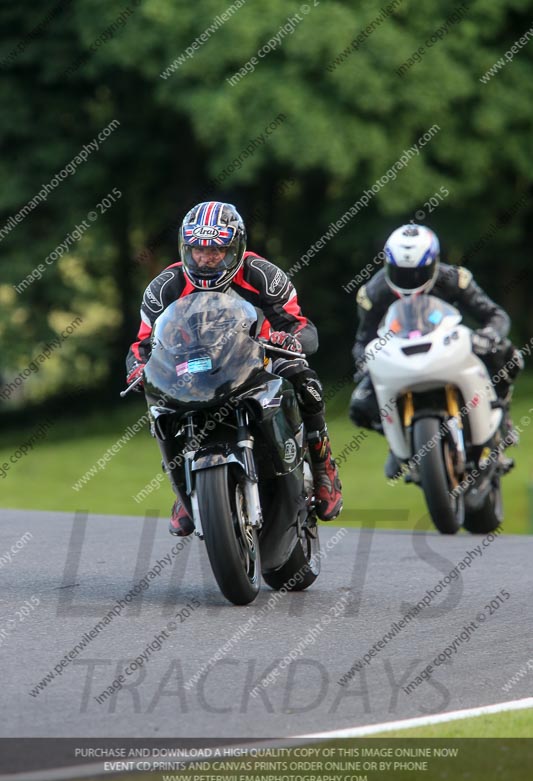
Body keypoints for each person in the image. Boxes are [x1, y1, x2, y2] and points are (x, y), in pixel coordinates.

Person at [126, 201, 342, 534]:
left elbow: (301, 326)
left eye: (217, 250)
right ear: (186, 248)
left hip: (258, 356)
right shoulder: (164, 287)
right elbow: (141, 345)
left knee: (305, 379)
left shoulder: (263, 276)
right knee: (159, 407)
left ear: (236, 247)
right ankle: (184, 490)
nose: (206, 258)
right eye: (198, 249)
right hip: (192, 367)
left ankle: (324, 467)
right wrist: (138, 368)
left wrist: (291, 341)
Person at [349, 224, 523, 478]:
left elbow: (495, 315)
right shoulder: (373, 293)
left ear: (433, 264)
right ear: (387, 265)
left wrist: (490, 335)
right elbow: (363, 340)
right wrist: (365, 362)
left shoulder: (454, 279)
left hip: (449, 346)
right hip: (400, 357)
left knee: (508, 354)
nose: (409, 280)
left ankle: (502, 418)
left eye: (418, 272)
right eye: (400, 272)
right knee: (359, 406)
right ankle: (397, 442)